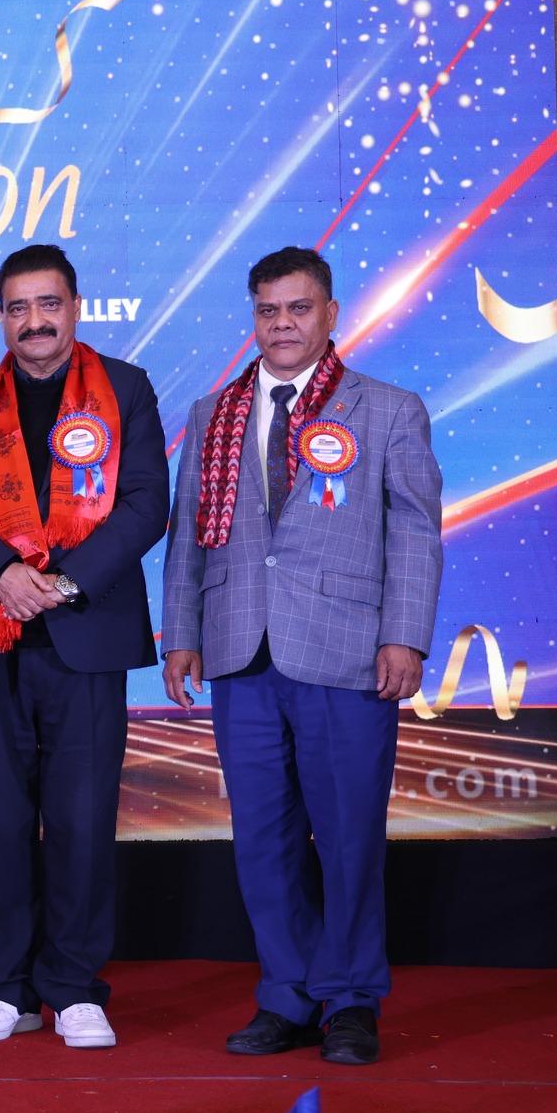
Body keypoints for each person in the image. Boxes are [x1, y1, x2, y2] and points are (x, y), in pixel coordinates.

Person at [161, 245, 443, 1066]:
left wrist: (405, 634)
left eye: (298, 308)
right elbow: (187, 534)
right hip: (240, 649)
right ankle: (286, 994)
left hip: (347, 652)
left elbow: (416, 532)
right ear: (253, 318)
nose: (281, 324)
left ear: (330, 314)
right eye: (267, 310)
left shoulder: (386, 408)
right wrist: (180, 633)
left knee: (349, 837)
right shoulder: (213, 413)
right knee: (262, 839)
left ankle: (350, 999)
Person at [0, 243, 168, 1047]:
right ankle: (6, 987)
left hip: (83, 634)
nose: (34, 321)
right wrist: (3, 575)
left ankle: (75, 986)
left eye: (48, 303)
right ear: (1, 317)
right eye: (18, 307)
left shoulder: (125, 389)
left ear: (76, 307)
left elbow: (145, 504)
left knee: (81, 817)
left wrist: (61, 583)